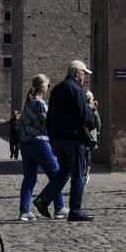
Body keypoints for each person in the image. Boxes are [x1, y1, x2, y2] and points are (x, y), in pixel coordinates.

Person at [33, 59, 95, 223]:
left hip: (58, 138)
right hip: (73, 139)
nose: (84, 78)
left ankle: (43, 200)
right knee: (78, 175)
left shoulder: (57, 89)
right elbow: (83, 116)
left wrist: (52, 141)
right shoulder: (77, 89)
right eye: (83, 74)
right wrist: (91, 109)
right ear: (77, 73)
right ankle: (75, 211)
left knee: (65, 170)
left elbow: (50, 117)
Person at [18, 75, 67, 221]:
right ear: (43, 87)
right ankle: (59, 207)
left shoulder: (27, 103)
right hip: (39, 143)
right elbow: (48, 123)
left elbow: (22, 124)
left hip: (25, 143)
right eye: (48, 85)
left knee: (29, 178)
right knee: (56, 174)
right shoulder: (39, 103)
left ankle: (24, 211)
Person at [84, 90, 101, 184]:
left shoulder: (82, 108)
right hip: (91, 136)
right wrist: (97, 132)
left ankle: (83, 173)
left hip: (83, 135)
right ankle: (87, 174)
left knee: (82, 154)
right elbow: (98, 123)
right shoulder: (93, 110)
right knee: (88, 154)